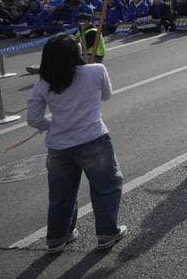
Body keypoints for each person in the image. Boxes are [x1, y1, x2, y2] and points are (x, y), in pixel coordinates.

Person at [25, 34, 127, 254]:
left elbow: (33, 118)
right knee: (106, 187)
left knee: (61, 193)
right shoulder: (96, 70)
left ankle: (57, 238)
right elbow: (107, 96)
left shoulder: (44, 82)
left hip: (59, 146)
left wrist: (52, 125)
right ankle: (107, 232)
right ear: (74, 53)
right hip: (93, 139)